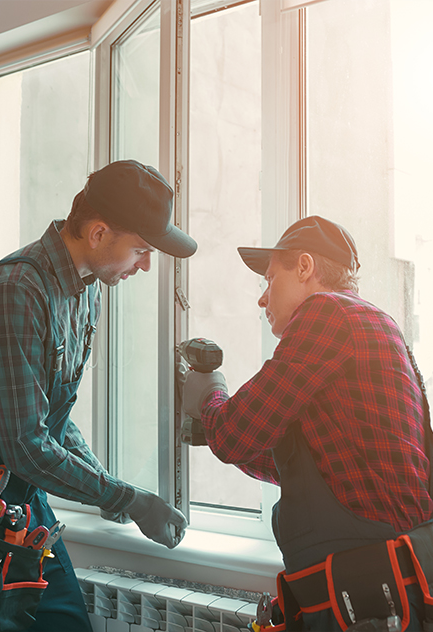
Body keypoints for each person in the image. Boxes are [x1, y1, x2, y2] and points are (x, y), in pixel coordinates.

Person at [0, 159, 196, 632]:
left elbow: (54, 417)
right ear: (98, 233)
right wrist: (129, 500)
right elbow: (26, 443)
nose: (146, 264)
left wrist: (110, 491)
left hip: (21, 494)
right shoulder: (16, 290)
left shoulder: (84, 291)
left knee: (67, 622)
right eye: (140, 249)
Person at [181, 216, 433, 631]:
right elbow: (307, 465)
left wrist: (211, 394)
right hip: (384, 588)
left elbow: (236, 435)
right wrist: (213, 426)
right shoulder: (377, 325)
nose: (263, 299)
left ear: (304, 267)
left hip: (365, 587)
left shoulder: (328, 312)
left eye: (269, 279)